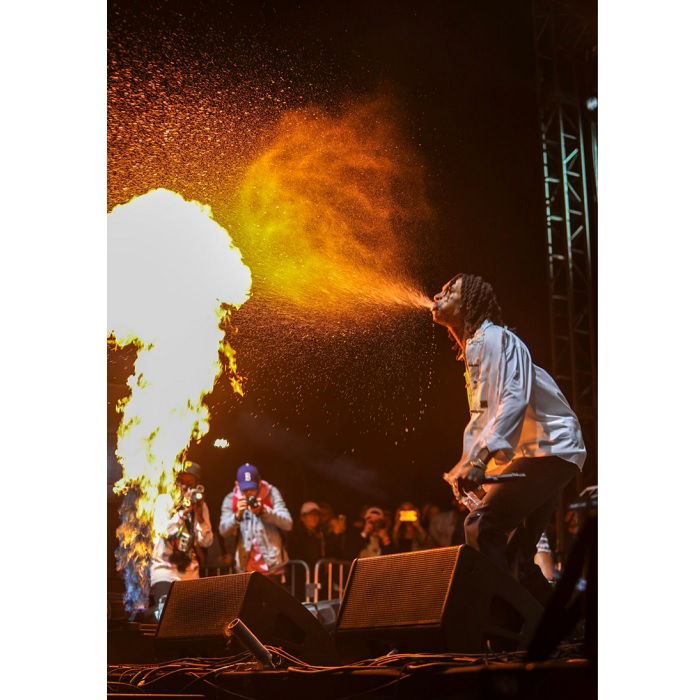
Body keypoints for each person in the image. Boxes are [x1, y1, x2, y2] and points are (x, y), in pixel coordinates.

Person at [431, 273, 586, 604]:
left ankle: (500, 622)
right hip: (540, 452)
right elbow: (484, 416)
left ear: (469, 303)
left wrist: (478, 459)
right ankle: (559, 632)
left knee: (482, 526)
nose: (437, 295)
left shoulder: (497, 338)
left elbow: (513, 398)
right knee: (517, 556)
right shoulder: (475, 348)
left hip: (550, 446)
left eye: (449, 291)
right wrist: (466, 468)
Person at [149, 462, 213, 614]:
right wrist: (182, 513)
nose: (184, 487)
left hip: (190, 574)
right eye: (181, 482)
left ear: (197, 485)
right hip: (165, 570)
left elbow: (207, 541)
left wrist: (199, 517)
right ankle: (147, 614)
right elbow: (163, 531)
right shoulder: (164, 500)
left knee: (191, 619)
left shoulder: (200, 505)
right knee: (165, 615)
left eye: (189, 483)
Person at [219, 463, 293, 575]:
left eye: (252, 489)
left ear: (259, 483)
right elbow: (223, 531)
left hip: (273, 569)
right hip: (245, 570)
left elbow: (288, 524)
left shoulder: (271, 493)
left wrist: (264, 511)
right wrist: (237, 515)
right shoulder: (231, 499)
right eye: (244, 489)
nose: (248, 493)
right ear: (237, 484)